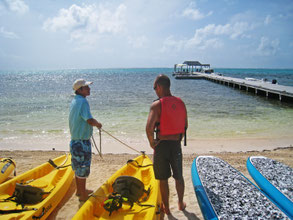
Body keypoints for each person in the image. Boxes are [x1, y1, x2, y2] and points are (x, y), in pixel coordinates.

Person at [146, 74, 188, 215]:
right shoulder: (181, 103)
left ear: (159, 87)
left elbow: (149, 128)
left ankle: (167, 208)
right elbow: (185, 125)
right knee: (179, 176)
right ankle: (181, 204)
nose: (155, 91)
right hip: (176, 144)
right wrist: (178, 139)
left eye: (154, 88)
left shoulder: (157, 105)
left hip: (161, 145)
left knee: (163, 179)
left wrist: (152, 143)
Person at [69, 79, 102, 201]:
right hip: (82, 142)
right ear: (80, 90)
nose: (89, 89)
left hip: (75, 140)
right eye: (86, 87)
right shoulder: (83, 102)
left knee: (78, 167)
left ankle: (79, 191)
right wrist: (98, 124)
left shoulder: (75, 101)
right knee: (83, 168)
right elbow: (89, 120)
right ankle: (83, 195)